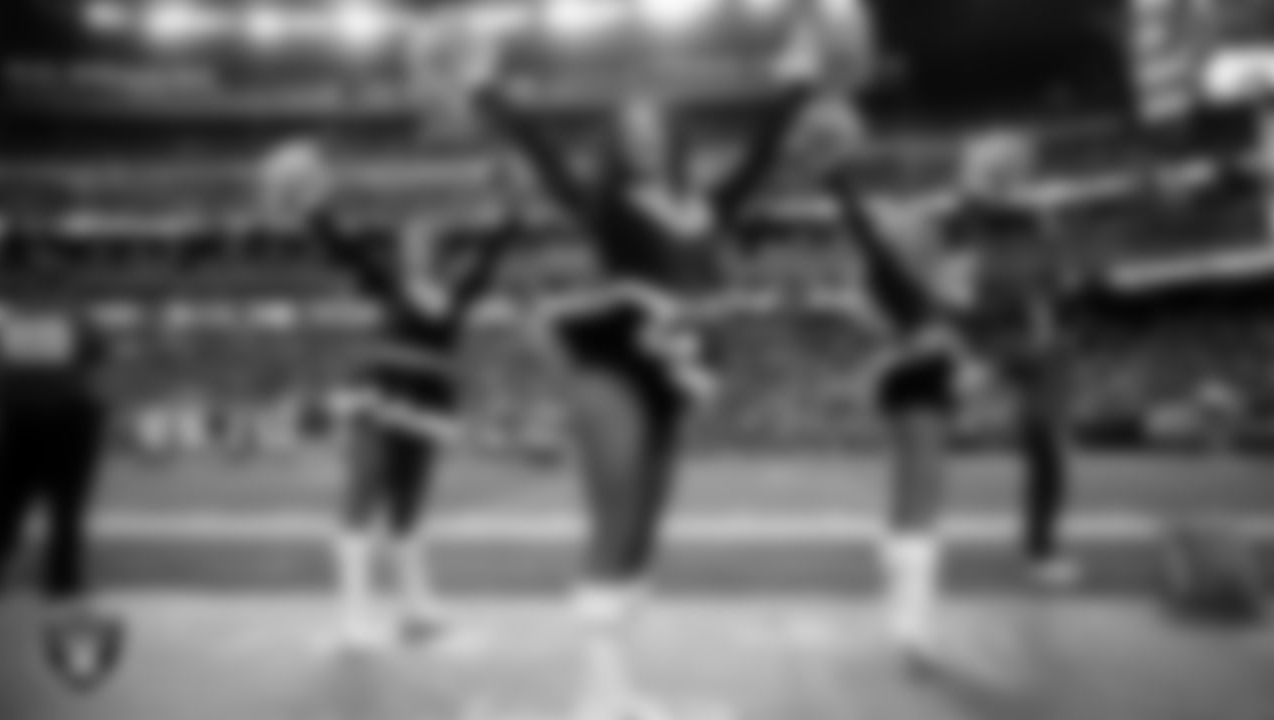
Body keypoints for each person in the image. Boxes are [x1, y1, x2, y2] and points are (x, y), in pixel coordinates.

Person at [459, 18, 823, 719]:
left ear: (673, 135)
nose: (644, 135)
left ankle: (619, 689)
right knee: (616, 508)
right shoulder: (607, 204)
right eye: (631, 128)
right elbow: (544, 157)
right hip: (608, 360)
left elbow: (761, 153)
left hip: (672, 372)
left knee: (646, 528)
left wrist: (797, 83)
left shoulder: (707, 207)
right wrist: (488, 90)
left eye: (655, 124)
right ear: (620, 144)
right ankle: (597, 701)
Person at [254, 141, 523, 650]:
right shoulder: (387, 285)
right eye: (409, 241)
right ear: (401, 252)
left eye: (428, 241)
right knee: (362, 495)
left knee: (410, 507)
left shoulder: (457, 293)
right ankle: (353, 612)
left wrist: (509, 205)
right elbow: (341, 247)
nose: (417, 246)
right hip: (379, 395)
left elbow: (495, 249)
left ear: (440, 252)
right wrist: (313, 206)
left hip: (429, 405)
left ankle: (415, 608)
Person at [819, 111, 977, 665]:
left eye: (925, 230)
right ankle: (912, 620)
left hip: (919, 375)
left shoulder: (930, 279)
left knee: (911, 494)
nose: (922, 233)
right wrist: (838, 179)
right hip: (916, 381)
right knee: (924, 497)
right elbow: (868, 236)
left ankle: (900, 582)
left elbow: (950, 324)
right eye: (913, 230)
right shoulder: (896, 279)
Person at [941, 131, 1081, 589]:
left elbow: (1056, 288)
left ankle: (1040, 549)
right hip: (983, 335)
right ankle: (914, 536)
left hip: (1035, 341)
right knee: (932, 415)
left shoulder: (1041, 221)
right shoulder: (968, 217)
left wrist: (1044, 316)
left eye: (1011, 169)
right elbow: (970, 210)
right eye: (996, 170)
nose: (1005, 178)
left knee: (1046, 446)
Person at [0, 292, 121, 678]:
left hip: (46, 415)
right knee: (27, 511)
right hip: (54, 416)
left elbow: (98, 351)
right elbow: (97, 351)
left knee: (25, 511)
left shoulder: (18, 319)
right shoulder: (26, 319)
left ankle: (62, 593)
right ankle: (62, 593)